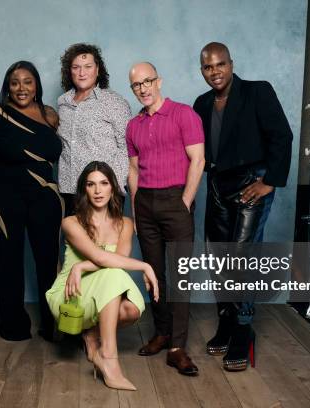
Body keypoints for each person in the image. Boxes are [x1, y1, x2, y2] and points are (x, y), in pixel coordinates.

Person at [193, 42, 293, 371]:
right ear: (202, 70)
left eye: (220, 64)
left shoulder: (257, 92)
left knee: (241, 255)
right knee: (217, 254)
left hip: (253, 182)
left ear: (231, 64)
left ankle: (243, 329)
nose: (215, 72)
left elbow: (282, 136)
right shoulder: (202, 103)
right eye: (208, 67)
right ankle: (226, 321)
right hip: (218, 184)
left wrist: (269, 182)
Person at [0, 61, 62, 342]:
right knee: (9, 262)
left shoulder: (50, 116)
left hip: (44, 196)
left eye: (28, 81)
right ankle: (13, 326)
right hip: (2, 196)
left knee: (48, 261)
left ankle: (52, 325)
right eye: (15, 82)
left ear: (37, 86)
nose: (22, 88)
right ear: (7, 87)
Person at [46, 161, 159, 391]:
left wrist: (82, 266)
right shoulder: (71, 222)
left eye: (104, 183)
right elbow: (104, 258)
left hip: (103, 290)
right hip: (72, 295)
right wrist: (145, 266)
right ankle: (108, 356)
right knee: (113, 272)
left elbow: (118, 259)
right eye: (91, 184)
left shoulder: (126, 224)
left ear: (113, 188)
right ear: (84, 190)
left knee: (132, 308)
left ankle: (92, 335)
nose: (98, 191)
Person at [126, 62, 205, 376]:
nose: (143, 89)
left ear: (159, 81)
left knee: (180, 275)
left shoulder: (184, 114)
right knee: (153, 273)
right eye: (136, 85)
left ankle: (178, 347)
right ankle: (162, 333)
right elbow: (133, 170)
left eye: (147, 82)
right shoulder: (133, 125)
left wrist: (184, 201)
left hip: (175, 200)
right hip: (144, 202)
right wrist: (135, 208)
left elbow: (197, 160)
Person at [57, 43, 132, 215]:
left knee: (105, 242)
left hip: (103, 193)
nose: (82, 72)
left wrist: (115, 185)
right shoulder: (63, 103)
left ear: (98, 70)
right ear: (70, 71)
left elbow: (126, 148)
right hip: (70, 191)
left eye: (88, 66)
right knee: (75, 242)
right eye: (76, 67)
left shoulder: (114, 102)